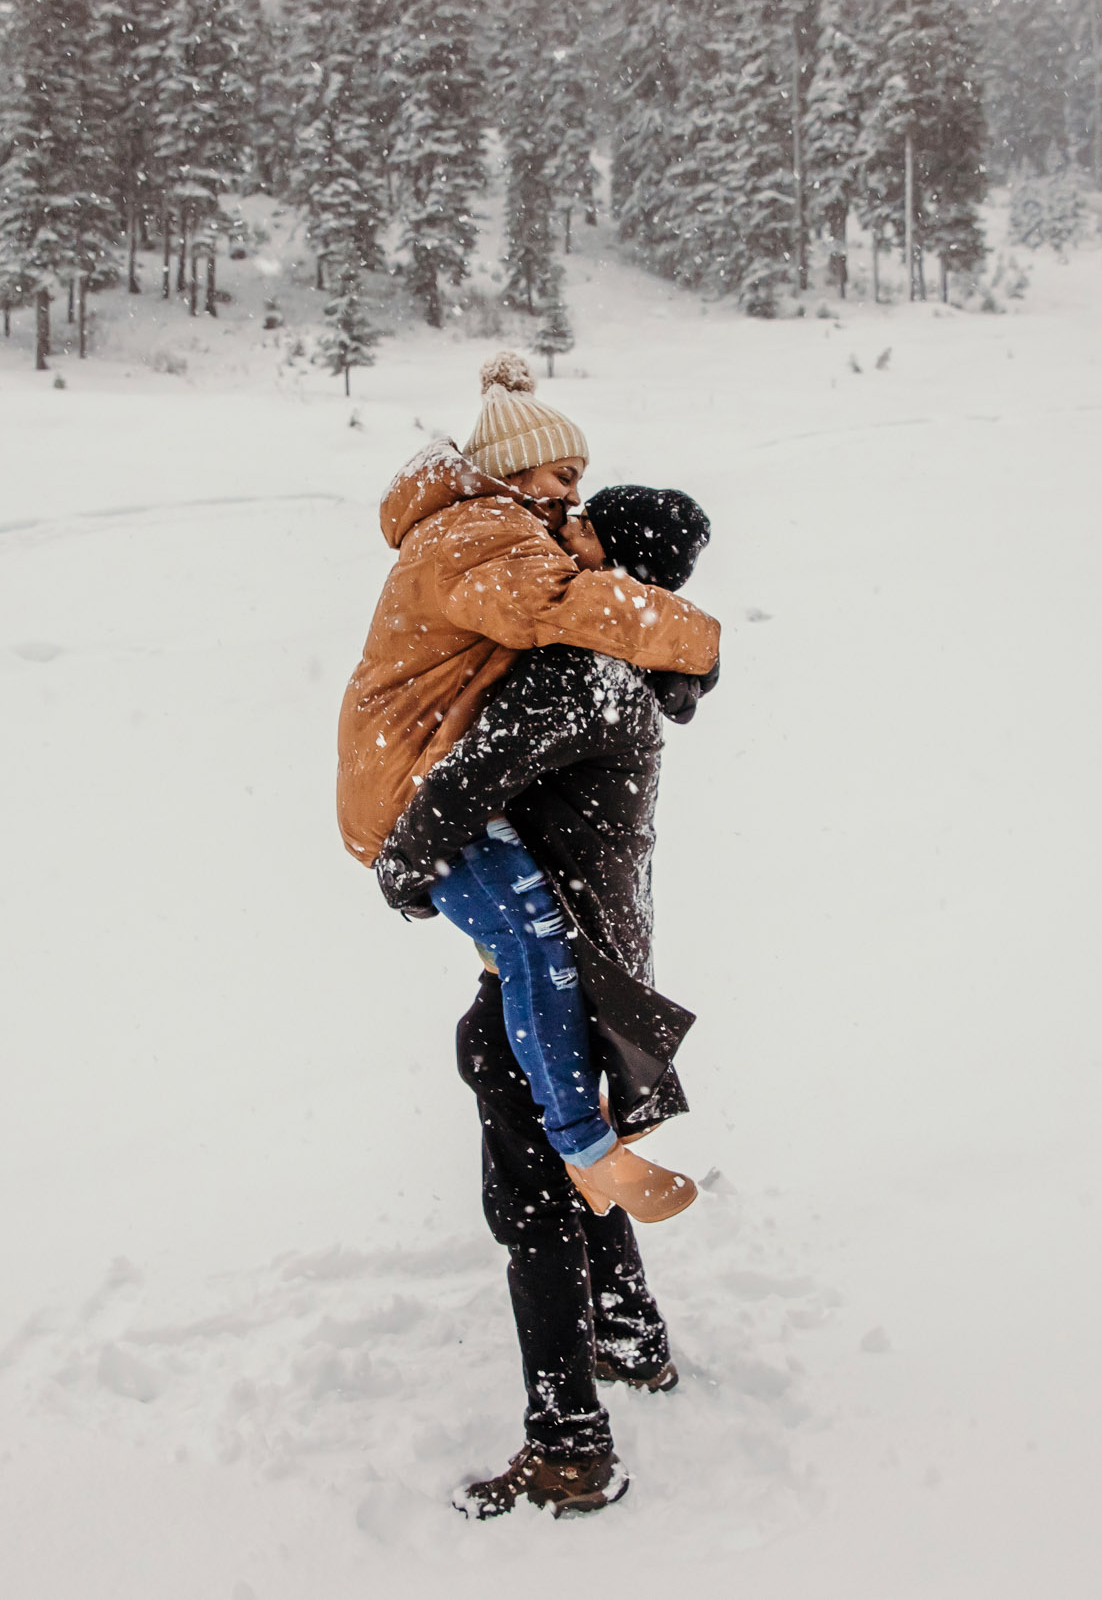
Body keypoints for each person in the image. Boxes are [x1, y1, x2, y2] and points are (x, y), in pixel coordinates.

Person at [374, 486, 721, 1520]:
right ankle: (629, 1333)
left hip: (550, 986)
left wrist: (399, 864)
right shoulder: (628, 676)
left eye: (580, 541)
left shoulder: (578, 677)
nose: (561, 554)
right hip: (605, 974)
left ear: (612, 561)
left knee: (531, 1211)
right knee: (583, 1167)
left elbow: (461, 785)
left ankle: (569, 1447)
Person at [338, 355, 717, 1212]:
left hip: (420, 774)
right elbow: (566, 608)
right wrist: (697, 641)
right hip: (411, 783)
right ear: (512, 472)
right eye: (562, 475)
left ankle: (589, 1163)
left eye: (581, 483)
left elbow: (580, 622)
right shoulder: (481, 534)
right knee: (530, 934)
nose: (573, 500)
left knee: (523, 952)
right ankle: (586, 1145)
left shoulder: (491, 531)